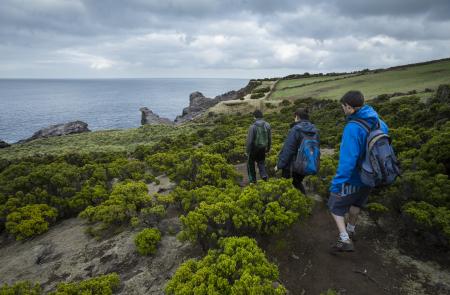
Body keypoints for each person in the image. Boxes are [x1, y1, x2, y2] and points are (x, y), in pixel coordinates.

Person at [328, 90, 389, 252]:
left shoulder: (352, 128)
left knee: (334, 206)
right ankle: (351, 230)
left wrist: (337, 183)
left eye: (343, 107)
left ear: (349, 107)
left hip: (355, 177)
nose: (343, 109)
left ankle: (344, 239)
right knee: (357, 203)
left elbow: (348, 161)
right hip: (371, 176)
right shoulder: (380, 123)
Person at [275, 108, 319, 194]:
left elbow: (288, 150)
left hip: (292, 166)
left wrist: (279, 165)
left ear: (297, 117)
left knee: (286, 185)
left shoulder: (296, 129)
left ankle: (295, 204)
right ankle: (304, 202)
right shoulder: (314, 130)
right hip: (306, 163)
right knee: (297, 183)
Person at [246, 110, 271, 183]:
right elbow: (269, 138)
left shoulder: (252, 127)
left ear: (254, 117)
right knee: (261, 162)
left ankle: (253, 181)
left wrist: (247, 151)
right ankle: (264, 176)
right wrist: (268, 148)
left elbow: (249, 141)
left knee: (250, 164)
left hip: (254, 149)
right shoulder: (267, 125)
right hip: (263, 148)